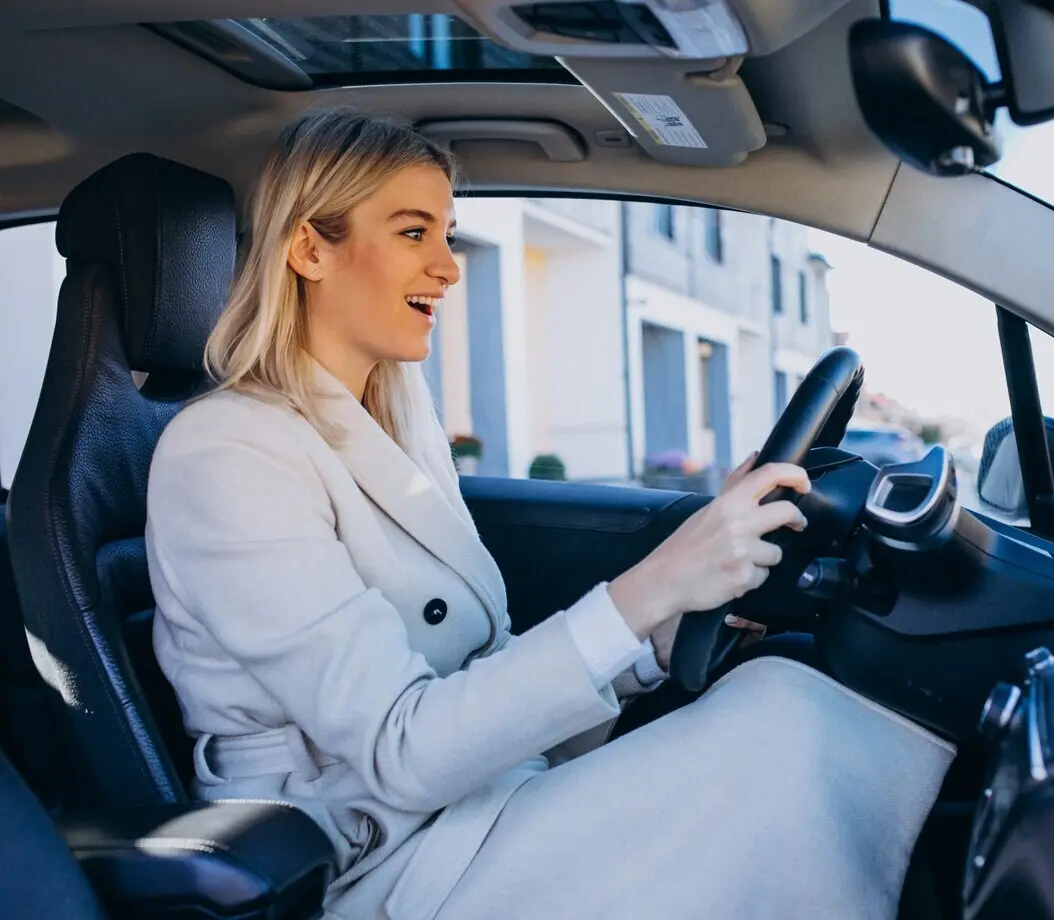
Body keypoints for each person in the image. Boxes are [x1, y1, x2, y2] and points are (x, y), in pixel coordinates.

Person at [146, 106, 956, 920]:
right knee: (787, 735)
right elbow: (405, 748)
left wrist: (673, 624)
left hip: (479, 800)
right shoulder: (224, 452)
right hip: (378, 863)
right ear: (310, 248)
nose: (450, 267)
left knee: (788, 693)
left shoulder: (398, 418)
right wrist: (656, 582)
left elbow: (481, 668)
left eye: (448, 234)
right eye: (413, 232)